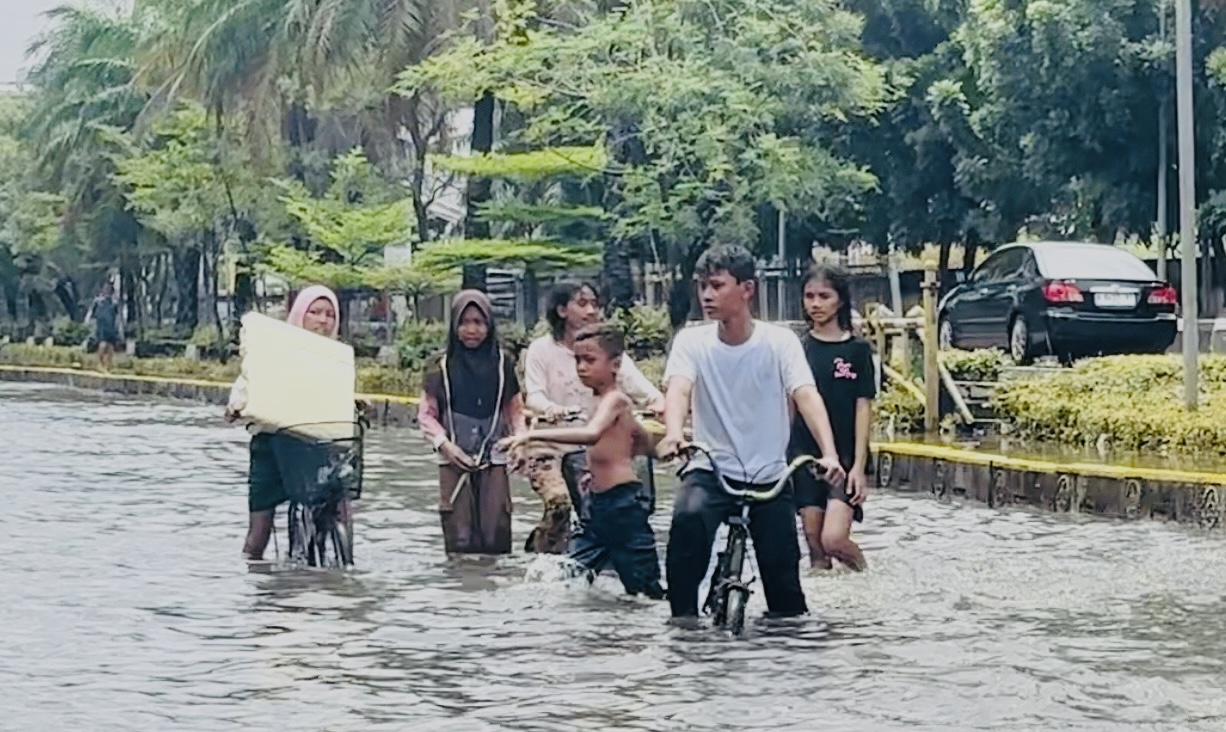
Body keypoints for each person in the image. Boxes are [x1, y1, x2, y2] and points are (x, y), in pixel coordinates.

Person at [656, 245, 846, 624]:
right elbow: (678, 389)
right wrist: (674, 433)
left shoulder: (780, 343)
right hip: (710, 471)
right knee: (687, 523)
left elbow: (805, 395)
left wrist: (829, 453)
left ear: (746, 290)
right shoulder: (691, 342)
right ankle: (682, 627)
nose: (707, 296)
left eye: (716, 286)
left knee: (786, 594)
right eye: (702, 287)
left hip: (769, 478)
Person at [501, 323, 665, 599]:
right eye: (577, 359)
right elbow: (631, 442)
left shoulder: (616, 400)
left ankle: (670, 634)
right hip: (598, 506)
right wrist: (593, 471)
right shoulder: (598, 402)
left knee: (645, 589)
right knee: (569, 572)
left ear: (615, 364)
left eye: (589, 360)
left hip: (623, 506)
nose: (581, 367)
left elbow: (591, 435)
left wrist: (530, 438)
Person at [522, 281, 664, 546]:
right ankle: (545, 557)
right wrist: (553, 410)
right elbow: (534, 395)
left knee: (627, 503)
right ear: (562, 310)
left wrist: (659, 402)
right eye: (582, 303)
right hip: (552, 446)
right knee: (559, 505)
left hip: (597, 445)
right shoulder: (541, 350)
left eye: (595, 304)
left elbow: (641, 387)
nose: (591, 311)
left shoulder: (608, 351)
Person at [225, 284, 346, 561]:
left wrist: (358, 405)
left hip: (318, 447)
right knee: (258, 536)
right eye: (314, 312)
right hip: (272, 449)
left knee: (341, 510)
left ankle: (343, 563)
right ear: (299, 315)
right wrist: (237, 406)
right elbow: (246, 386)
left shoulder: (338, 359)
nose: (322, 320)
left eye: (329, 314)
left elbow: (341, 396)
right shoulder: (272, 353)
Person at [419, 290, 527, 555]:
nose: (471, 330)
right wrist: (445, 446)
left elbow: (515, 410)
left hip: (494, 457)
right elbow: (426, 415)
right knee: (459, 539)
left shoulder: (503, 363)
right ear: (454, 325)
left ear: (489, 325)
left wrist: (521, 442)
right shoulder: (438, 366)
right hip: (453, 456)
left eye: (479, 322)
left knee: (496, 536)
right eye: (464, 322)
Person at [790, 264, 874, 571]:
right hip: (803, 454)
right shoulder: (797, 348)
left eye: (824, 296)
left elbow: (863, 406)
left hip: (847, 456)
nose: (815, 303)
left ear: (839, 300)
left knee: (833, 539)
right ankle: (826, 614)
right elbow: (789, 402)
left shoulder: (858, 349)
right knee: (815, 547)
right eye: (809, 296)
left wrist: (860, 467)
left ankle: (865, 576)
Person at [84, 282, 123, 371]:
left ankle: (108, 366)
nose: (107, 290)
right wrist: (88, 322)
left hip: (111, 326)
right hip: (101, 326)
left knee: (110, 347)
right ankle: (99, 363)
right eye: (106, 288)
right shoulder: (98, 301)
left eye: (109, 289)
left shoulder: (114, 303)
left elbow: (118, 316)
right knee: (103, 344)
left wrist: (119, 328)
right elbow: (91, 312)